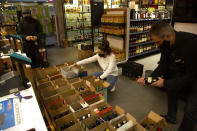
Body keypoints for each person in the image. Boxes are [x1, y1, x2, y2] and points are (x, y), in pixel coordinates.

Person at [137, 21, 197, 131]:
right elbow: (163, 65)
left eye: (158, 42)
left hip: (194, 74)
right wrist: (147, 80)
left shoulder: (191, 44)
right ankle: (171, 117)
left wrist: (165, 82)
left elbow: (191, 78)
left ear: (168, 36)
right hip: (185, 69)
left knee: (191, 109)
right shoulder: (165, 44)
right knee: (172, 88)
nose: (157, 45)